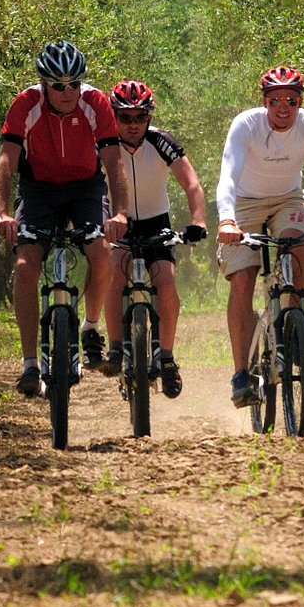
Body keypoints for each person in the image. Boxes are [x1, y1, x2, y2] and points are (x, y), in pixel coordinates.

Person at [0, 41, 129, 397]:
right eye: (59, 85)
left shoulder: (95, 102)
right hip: (39, 190)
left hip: (86, 188)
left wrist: (120, 212)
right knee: (25, 266)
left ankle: (89, 326)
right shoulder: (26, 104)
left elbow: (114, 162)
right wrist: (1, 212)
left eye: (75, 84)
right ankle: (29, 364)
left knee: (101, 253)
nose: (68, 92)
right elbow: (6, 160)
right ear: (43, 83)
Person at [216, 65, 304, 407]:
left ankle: (295, 324)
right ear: (264, 102)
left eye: (292, 101)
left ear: (300, 102)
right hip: (244, 203)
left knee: (298, 244)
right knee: (243, 279)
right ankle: (241, 373)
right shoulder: (246, 125)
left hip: (288, 198)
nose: (284, 108)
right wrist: (226, 220)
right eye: (276, 100)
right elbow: (227, 176)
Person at [99, 79, 208, 399]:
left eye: (140, 117)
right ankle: (117, 348)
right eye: (125, 118)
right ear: (113, 116)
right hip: (118, 224)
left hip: (155, 222)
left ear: (149, 116)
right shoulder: (103, 145)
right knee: (114, 276)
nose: (133, 125)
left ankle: (168, 358)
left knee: (166, 283)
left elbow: (192, 184)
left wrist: (198, 221)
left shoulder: (161, 142)